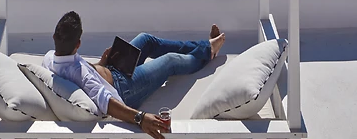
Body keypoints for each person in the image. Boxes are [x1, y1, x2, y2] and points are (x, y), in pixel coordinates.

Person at [42, 11, 226, 138]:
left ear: (55, 38)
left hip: (112, 69)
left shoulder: (50, 58)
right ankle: (208, 51)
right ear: (78, 44)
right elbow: (107, 102)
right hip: (124, 88)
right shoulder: (80, 74)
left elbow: (81, 71)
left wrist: (102, 63)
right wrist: (141, 118)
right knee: (171, 61)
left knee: (146, 40)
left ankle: (203, 46)